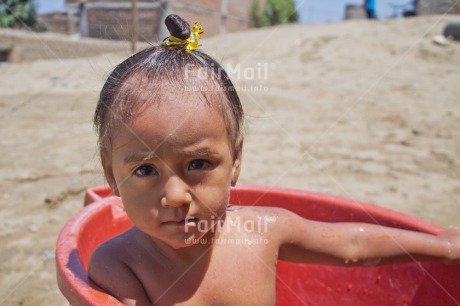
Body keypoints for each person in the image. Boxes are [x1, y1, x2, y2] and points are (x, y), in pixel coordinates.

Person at [88, 14, 459, 306]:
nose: (176, 196)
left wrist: (442, 246)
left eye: (198, 164)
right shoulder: (118, 264)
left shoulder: (263, 232)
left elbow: (352, 246)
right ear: (112, 175)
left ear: (235, 161)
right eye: (145, 170)